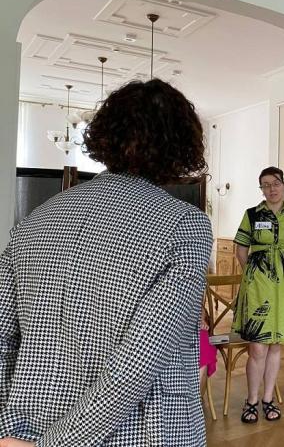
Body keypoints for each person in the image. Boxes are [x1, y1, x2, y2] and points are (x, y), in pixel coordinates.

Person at [0, 79, 212, 446]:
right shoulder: (185, 225)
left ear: (106, 135)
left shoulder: (37, 218)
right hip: (140, 433)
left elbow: (3, 338)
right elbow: (139, 360)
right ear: (181, 146)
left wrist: (8, 428)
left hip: (24, 428)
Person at [233, 166, 284, 423]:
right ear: (261, 189)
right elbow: (240, 249)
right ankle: (251, 400)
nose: (271, 189)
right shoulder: (252, 214)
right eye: (266, 185)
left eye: (275, 183)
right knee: (258, 347)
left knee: (276, 345)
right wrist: (253, 274)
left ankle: (268, 398)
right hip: (258, 285)